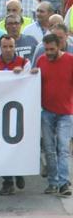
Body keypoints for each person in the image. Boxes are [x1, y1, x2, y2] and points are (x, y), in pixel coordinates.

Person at [37, 33, 73, 196]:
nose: (49, 53)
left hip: (66, 112)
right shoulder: (41, 61)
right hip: (47, 112)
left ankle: (64, 183)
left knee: (63, 148)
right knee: (49, 148)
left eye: (52, 49)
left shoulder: (70, 61)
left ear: (59, 47)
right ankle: (53, 182)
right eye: (46, 49)